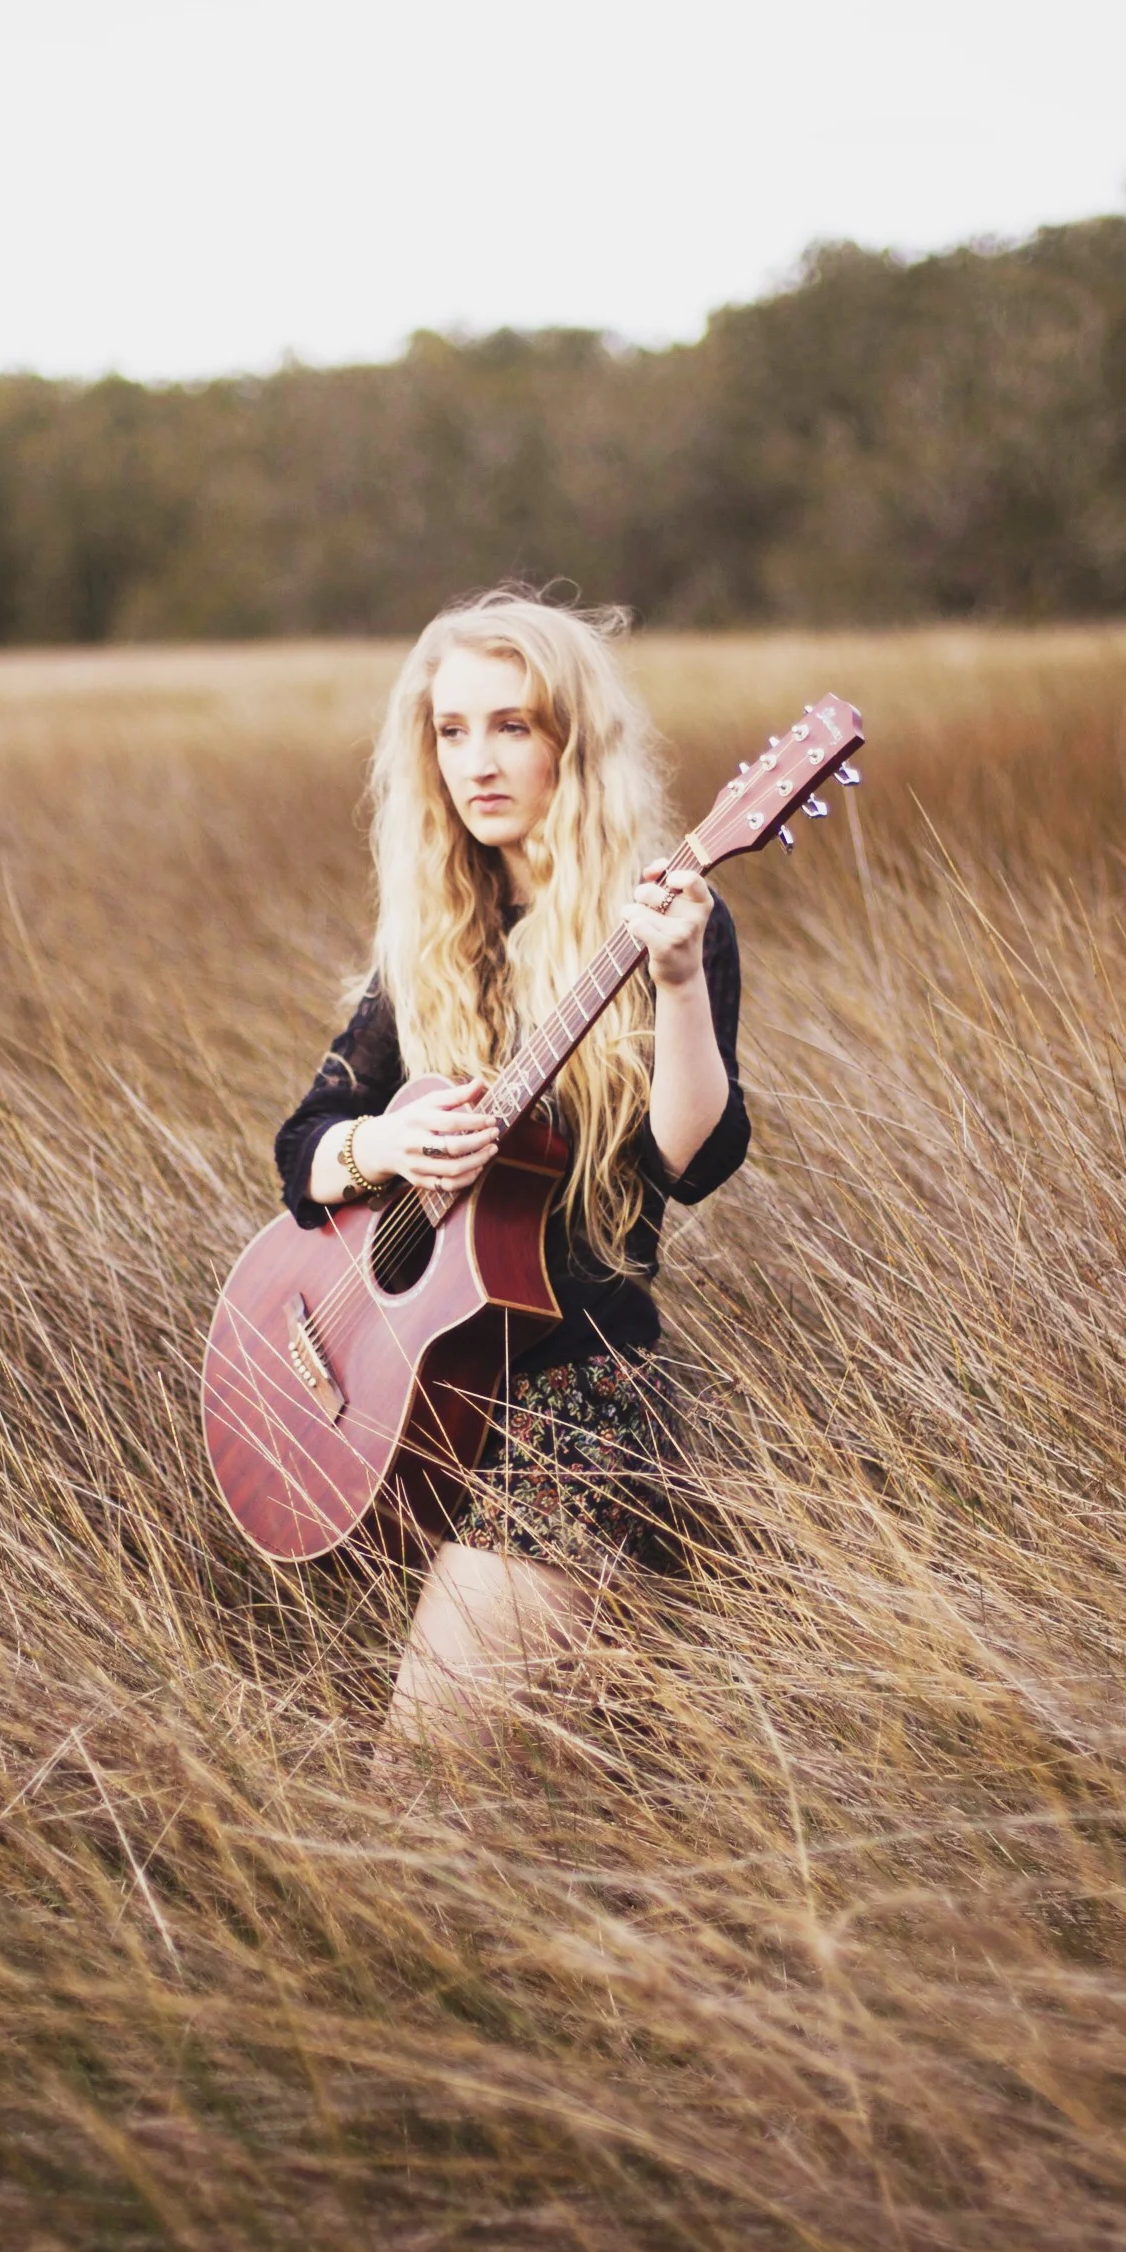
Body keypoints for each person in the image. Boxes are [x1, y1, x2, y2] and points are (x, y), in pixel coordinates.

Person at [272, 588, 749, 1753]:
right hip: (432, 1398)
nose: (475, 762)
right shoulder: (434, 933)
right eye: (449, 731)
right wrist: (382, 1144)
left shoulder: (664, 919)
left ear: (572, 742)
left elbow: (691, 1164)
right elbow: (305, 1146)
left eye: (512, 726)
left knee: (419, 1784)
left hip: (577, 1406)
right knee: (577, 1801)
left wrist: (677, 980)